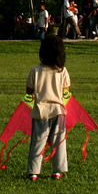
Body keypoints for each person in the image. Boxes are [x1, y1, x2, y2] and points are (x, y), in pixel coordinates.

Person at [25, 34, 70, 181]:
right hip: (58, 111)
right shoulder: (62, 71)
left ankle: (34, 172)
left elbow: (29, 90)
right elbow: (66, 90)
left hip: (40, 110)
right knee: (59, 141)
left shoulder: (35, 70)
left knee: (38, 140)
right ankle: (57, 170)